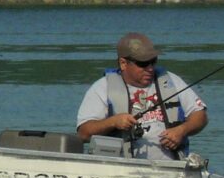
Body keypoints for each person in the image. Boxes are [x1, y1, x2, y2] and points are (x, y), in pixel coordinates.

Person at [76, 32, 207, 160]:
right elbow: (83, 133)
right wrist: (113, 122)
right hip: (121, 170)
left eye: (153, 61)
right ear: (123, 63)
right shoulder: (102, 87)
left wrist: (182, 130)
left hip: (171, 169)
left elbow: (200, 115)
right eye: (143, 63)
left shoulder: (170, 80)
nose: (150, 68)